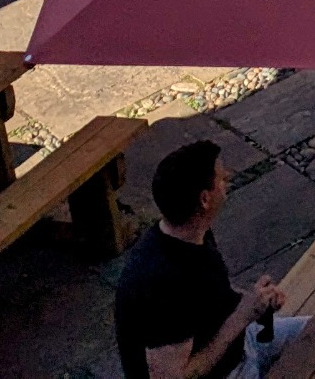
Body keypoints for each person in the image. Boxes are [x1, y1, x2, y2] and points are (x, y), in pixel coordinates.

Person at [116, 140, 297, 379]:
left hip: (245, 344)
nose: (228, 178)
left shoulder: (192, 232)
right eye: (220, 178)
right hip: (227, 372)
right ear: (204, 199)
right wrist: (242, 316)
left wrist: (257, 301)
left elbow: (211, 293)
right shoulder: (162, 285)